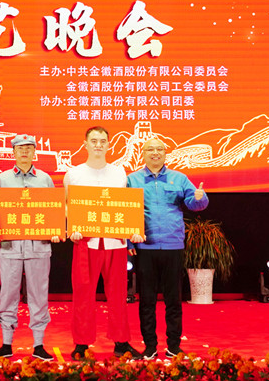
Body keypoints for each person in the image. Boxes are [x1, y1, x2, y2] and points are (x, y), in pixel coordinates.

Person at [65, 126, 144, 360]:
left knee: (118, 295)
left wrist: (134, 230)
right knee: (83, 294)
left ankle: (121, 342)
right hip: (85, 243)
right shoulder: (74, 174)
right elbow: (68, 206)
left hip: (115, 243)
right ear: (85, 143)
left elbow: (127, 206)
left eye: (102, 141)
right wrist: (72, 228)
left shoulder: (119, 173)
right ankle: (81, 344)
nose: (98, 145)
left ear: (109, 144)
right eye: (94, 140)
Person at [127, 138, 208, 359]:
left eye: (159, 149)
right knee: (147, 301)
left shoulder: (179, 178)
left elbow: (195, 203)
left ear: (165, 153)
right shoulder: (132, 180)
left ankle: (174, 346)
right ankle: (150, 346)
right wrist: (129, 242)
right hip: (145, 247)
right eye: (150, 149)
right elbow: (124, 212)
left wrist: (200, 198)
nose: (155, 153)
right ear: (143, 153)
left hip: (173, 245)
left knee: (173, 300)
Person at [0, 134, 59, 361]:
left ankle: (38, 344)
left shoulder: (45, 179)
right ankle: (6, 344)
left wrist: (55, 230)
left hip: (39, 246)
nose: (24, 152)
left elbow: (52, 211)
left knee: (39, 294)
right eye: (20, 149)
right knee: (7, 294)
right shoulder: (2, 179)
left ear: (34, 152)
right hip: (9, 246)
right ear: (13, 152)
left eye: (29, 148)